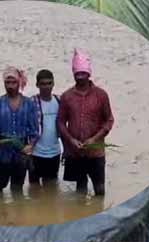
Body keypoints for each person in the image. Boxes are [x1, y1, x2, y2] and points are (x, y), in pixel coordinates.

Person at [57, 49, 115, 196]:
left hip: (96, 152)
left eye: (83, 74)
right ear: (74, 74)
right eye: (78, 74)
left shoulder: (101, 95)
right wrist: (71, 140)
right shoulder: (66, 97)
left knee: (100, 189)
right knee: (80, 189)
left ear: (89, 74)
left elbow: (109, 120)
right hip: (75, 152)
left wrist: (94, 139)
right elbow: (61, 122)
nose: (81, 77)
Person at [0, 66, 39, 194]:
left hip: (20, 155)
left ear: (19, 82)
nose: (10, 86)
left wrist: (30, 146)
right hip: (1, 153)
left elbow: (34, 130)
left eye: (13, 82)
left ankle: (18, 214)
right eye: (7, 82)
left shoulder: (29, 103)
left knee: (17, 190)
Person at [29, 69, 62, 185]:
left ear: (53, 84)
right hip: (35, 153)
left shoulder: (59, 101)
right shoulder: (31, 102)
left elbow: (65, 126)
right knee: (34, 190)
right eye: (43, 84)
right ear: (37, 85)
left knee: (51, 189)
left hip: (55, 152)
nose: (46, 87)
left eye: (49, 83)